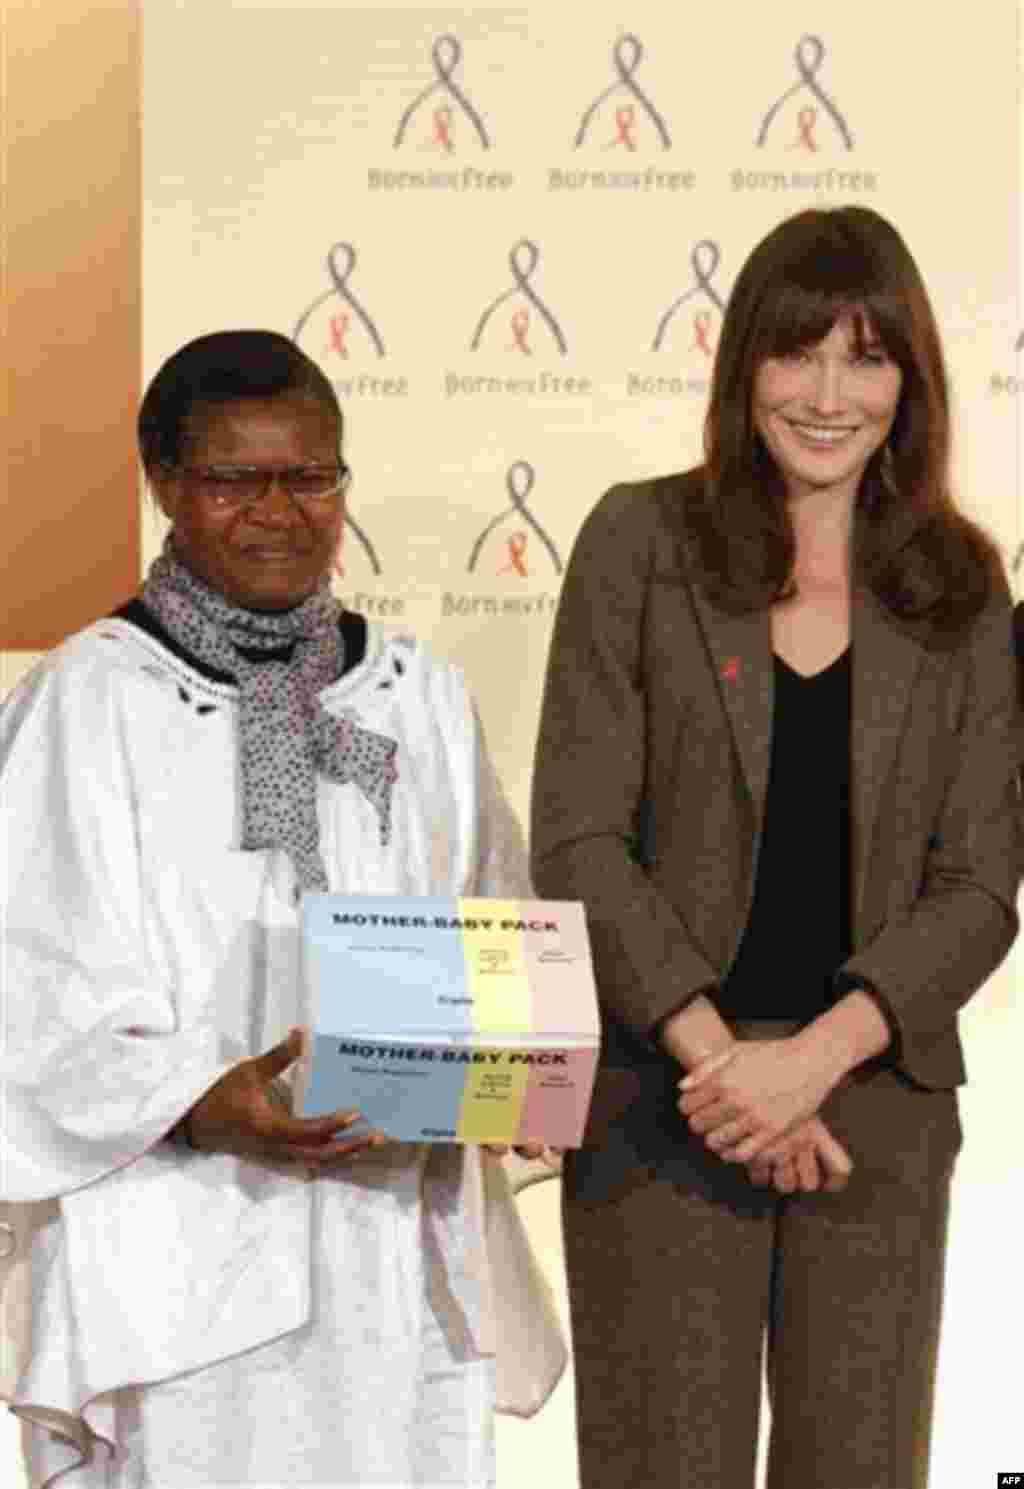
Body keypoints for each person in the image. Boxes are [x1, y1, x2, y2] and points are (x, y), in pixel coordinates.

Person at [0, 330, 564, 1488]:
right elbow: (23, 979)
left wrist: (506, 1069)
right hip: (173, 1244)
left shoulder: (418, 694)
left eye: (310, 477)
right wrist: (200, 1099)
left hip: (390, 1240)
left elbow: (494, 928)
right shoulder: (84, 699)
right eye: (233, 479)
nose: (278, 511)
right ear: (164, 484)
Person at [530, 206, 1020, 1489]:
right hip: (666, 1106)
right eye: (795, 354)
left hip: (872, 1114)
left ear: (907, 383)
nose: (825, 395)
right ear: (742, 363)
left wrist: (806, 1062)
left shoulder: (961, 587)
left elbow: (977, 888)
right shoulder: (638, 544)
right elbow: (578, 839)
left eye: (865, 358)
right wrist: (727, 1071)